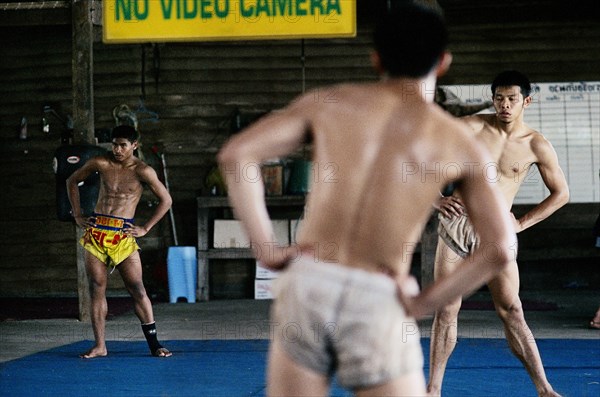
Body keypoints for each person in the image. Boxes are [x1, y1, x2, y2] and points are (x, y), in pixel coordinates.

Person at [218, 4, 517, 396]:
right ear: (443, 62)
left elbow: (236, 155)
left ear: (375, 59)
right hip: (378, 292)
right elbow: (500, 247)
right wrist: (422, 304)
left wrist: (268, 250)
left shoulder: (329, 103)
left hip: (310, 280)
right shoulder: (458, 142)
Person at [427, 70, 570, 397]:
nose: (505, 105)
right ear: (492, 99)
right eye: (499, 98)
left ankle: (545, 389)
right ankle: (433, 390)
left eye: (512, 99)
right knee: (447, 308)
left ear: (526, 101)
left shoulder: (536, 144)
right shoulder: (472, 126)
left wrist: (520, 224)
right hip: (456, 228)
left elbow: (561, 194)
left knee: (512, 310)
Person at [66, 125, 173, 359]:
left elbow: (166, 200)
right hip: (96, 233)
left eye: (123, 145)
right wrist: (77, 214)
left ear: (134, 145)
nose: (117, 149)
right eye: (114, 144)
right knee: (97, 288)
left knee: (137, 288)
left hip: (123, 236)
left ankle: (154, 344)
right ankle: (100, 346)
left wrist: (145, 227)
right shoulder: (100, 163)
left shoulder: (143, 171)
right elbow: (72, 181)